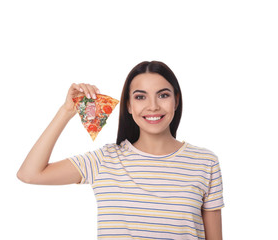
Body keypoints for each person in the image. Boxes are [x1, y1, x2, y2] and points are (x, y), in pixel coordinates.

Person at [17, 61, 224, 240]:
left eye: (163, 95)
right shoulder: (104, 160)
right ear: (129, 106)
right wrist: (66, 111)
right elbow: (29, 174)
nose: (153, 106)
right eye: (140, 97)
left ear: (176, 101)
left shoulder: (205, 162)